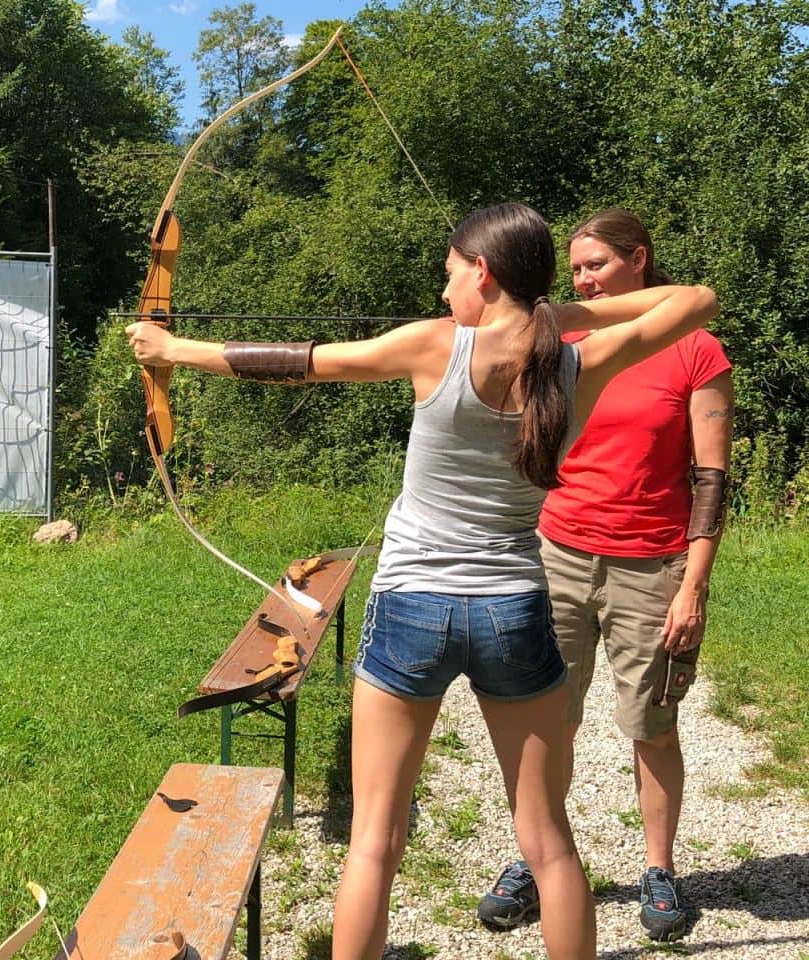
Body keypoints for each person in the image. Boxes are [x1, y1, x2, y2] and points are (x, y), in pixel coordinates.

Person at [126, 202, 719, 960]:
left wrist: (174, 349)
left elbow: (297, 361)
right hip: (514, 608)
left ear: (483, 272)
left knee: (375, 838)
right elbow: (696, 300)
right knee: (548, 842)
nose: (443, 295)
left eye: (450, 276)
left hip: (412, 608)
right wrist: (550, 314)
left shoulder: (435, 347)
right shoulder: (579, 361)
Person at [476, 209, 733, 942]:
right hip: (556, 554)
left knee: (651, 724)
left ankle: (658, 869)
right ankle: (535, 856)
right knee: (546, 719)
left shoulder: (697, 352)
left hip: (652, 565)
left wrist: (694, 584)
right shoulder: (567, 347)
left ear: (639, 260)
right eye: (576, 269)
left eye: (597, 265)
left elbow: (711, 478)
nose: (583, 279)